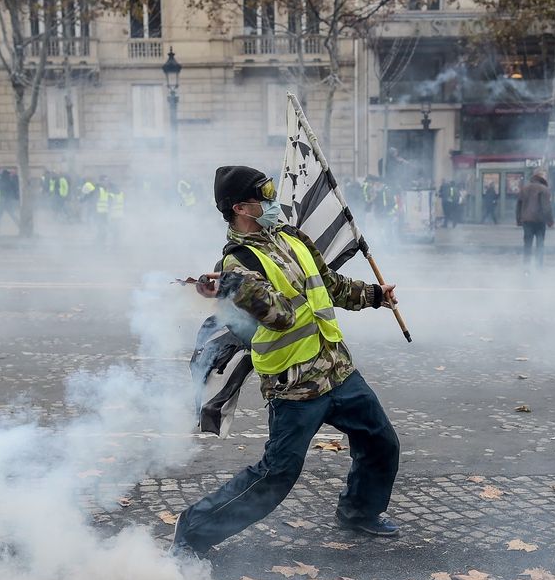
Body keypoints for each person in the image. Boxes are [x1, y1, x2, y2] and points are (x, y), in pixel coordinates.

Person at [170, 165, 402, 559]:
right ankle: (192, 531)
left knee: (381, 442)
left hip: (337, 369)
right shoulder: (237, 264)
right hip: (294, 386)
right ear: (241, 208)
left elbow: (329, 285)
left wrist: (375, 295)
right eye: (265, 196)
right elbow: (281, 317)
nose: (274, 202)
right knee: (276, 475)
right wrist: (235, 289)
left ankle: (359, 511)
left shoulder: (291, 237)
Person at [516, 168, 554, 270]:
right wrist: (550, 221)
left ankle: (526, 267)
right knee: (540, 245)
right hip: (539, 221)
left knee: (527, 244)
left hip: (527, 221)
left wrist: (518, 219)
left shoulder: (524, 188)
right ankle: (539, 267)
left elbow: (519, 205)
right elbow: (546, 207)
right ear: (542, 178)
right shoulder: (544, 189)